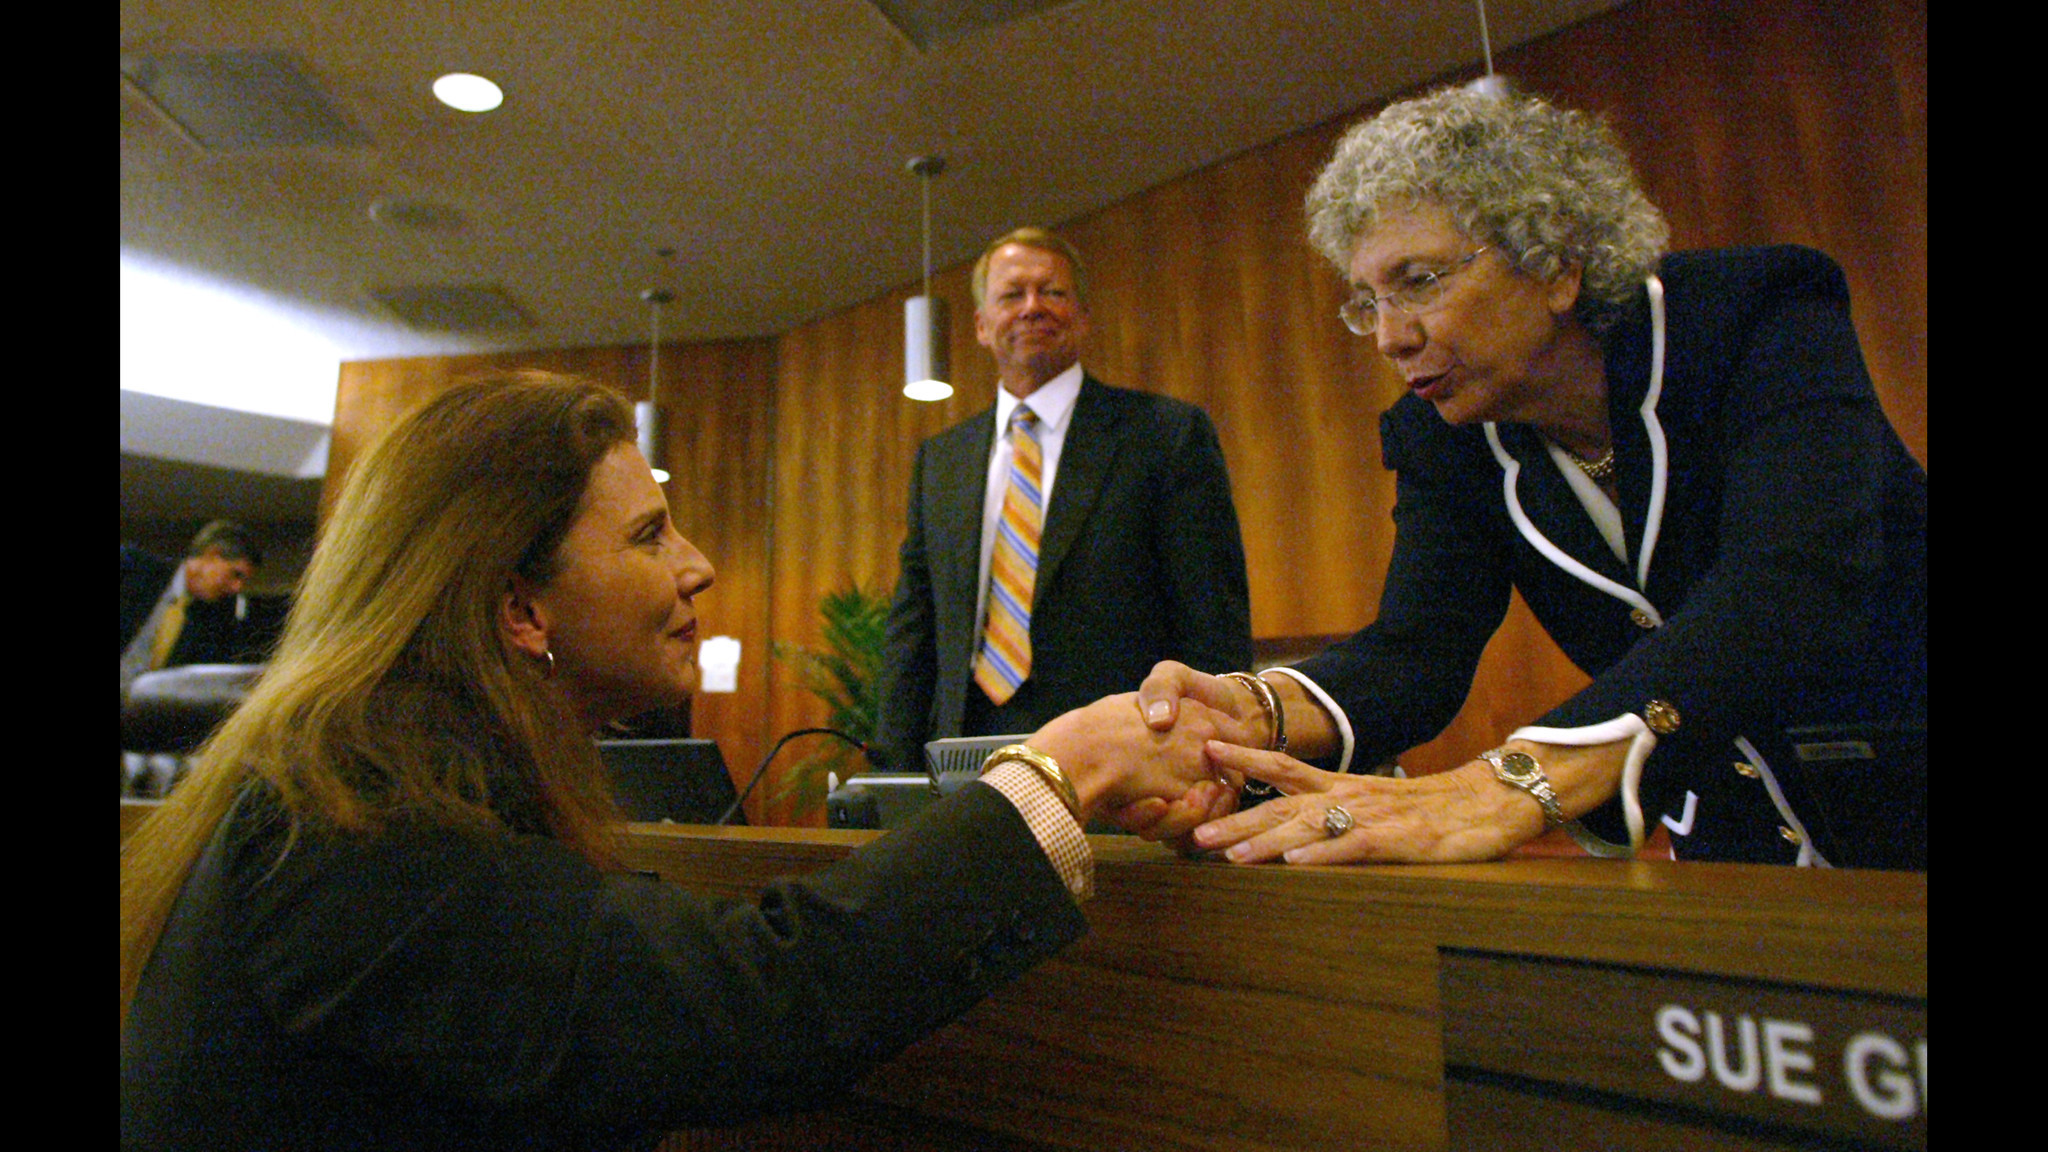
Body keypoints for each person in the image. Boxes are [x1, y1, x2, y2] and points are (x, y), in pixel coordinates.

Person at [119, 372, 1247, 1149]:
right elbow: (752, 1005)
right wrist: (1058, 774)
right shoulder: (360, 819)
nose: (698, 566)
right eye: (651, 535)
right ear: (518, 606)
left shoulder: (386, 772)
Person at [1128, 84, 1926, 869]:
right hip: (1736, 846)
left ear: (1557, 265)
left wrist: (1514, 784)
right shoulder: (1443, 434)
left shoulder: (1755, 313)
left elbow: (1794, 583)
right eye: (1368, 300)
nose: (1390, 338)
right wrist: (1253, 709)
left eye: (1419, 280)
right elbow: (1416, 655)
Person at [874, 225, 1255, 777]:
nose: (1032, 308)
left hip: (1121, 761)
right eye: (1011, 295)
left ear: (1082, 316)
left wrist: (1212, 762)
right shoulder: (942, 461)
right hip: (961, 760)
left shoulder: (1165, 434)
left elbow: (1211, 619)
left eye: (1052, 292)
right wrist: (890, 773)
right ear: (982, 326)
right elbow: (914, 626)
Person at [120, 519, 265, 693]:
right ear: (212, 554)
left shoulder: (215, 625)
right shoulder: (133, 568)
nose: (237, 587)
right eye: (235, 574)